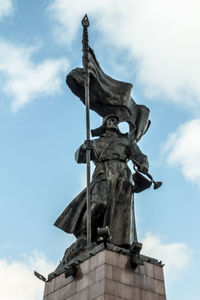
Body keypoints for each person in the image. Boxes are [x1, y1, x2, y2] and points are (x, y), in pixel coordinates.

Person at [54, 115, 149, 248]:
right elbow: (80, 158)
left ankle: (121, 243)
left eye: (116, 121)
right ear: (104, 124)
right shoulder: (95, 142)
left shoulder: (126, 140)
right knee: (99, 202)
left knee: (122, 209)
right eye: (110, 120)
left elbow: (140, 156)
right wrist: (83, 148)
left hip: (122, 174)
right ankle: (84, 234)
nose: (113, 123)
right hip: (103, 170)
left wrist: (144, 164)